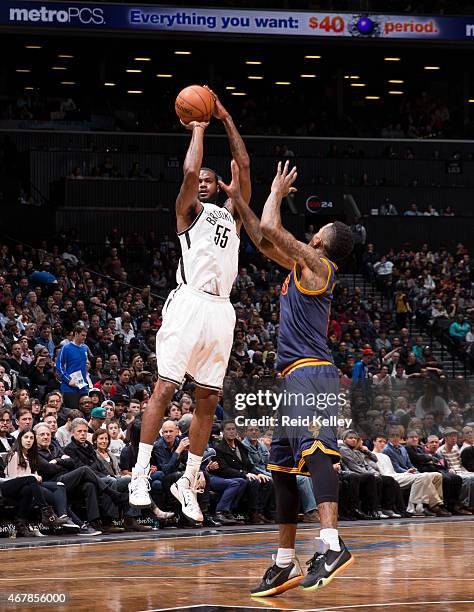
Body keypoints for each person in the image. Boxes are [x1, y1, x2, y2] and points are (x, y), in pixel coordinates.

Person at [220, 160, 354, 595]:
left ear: (320, 241)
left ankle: (332, 545)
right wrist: (238, 199)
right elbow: (262, 239)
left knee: (318, 454)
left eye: (319, 228)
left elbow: (275, 230)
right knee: (280, 467)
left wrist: (275, 191)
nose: (313, 229)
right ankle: (283, 561)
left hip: (312, 375)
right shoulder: (302, 268)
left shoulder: (319, 267)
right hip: (293, 377)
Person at [129, 87, 251, 525]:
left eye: (208, 179)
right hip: (189, 302)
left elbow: (245, 167)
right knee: (165, 388)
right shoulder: (188, 212)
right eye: (198, 178)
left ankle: (189, 479)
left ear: (219, 186)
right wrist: (199, 128)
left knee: (209, 400)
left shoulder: (231, 215)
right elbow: (188, 171)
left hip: (222, 309)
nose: (201, 181)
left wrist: (226, 117)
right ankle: (140, 473)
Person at [55, 325, 89, 408]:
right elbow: (59, 366)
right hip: (69, 387)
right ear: (76, 334)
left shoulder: (85, 348)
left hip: (82, 386)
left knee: (84, 412)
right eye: (82, 335)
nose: (84, 338)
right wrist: (68, 380)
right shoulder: (66, 348)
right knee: (72, 412)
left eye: (85, 335)